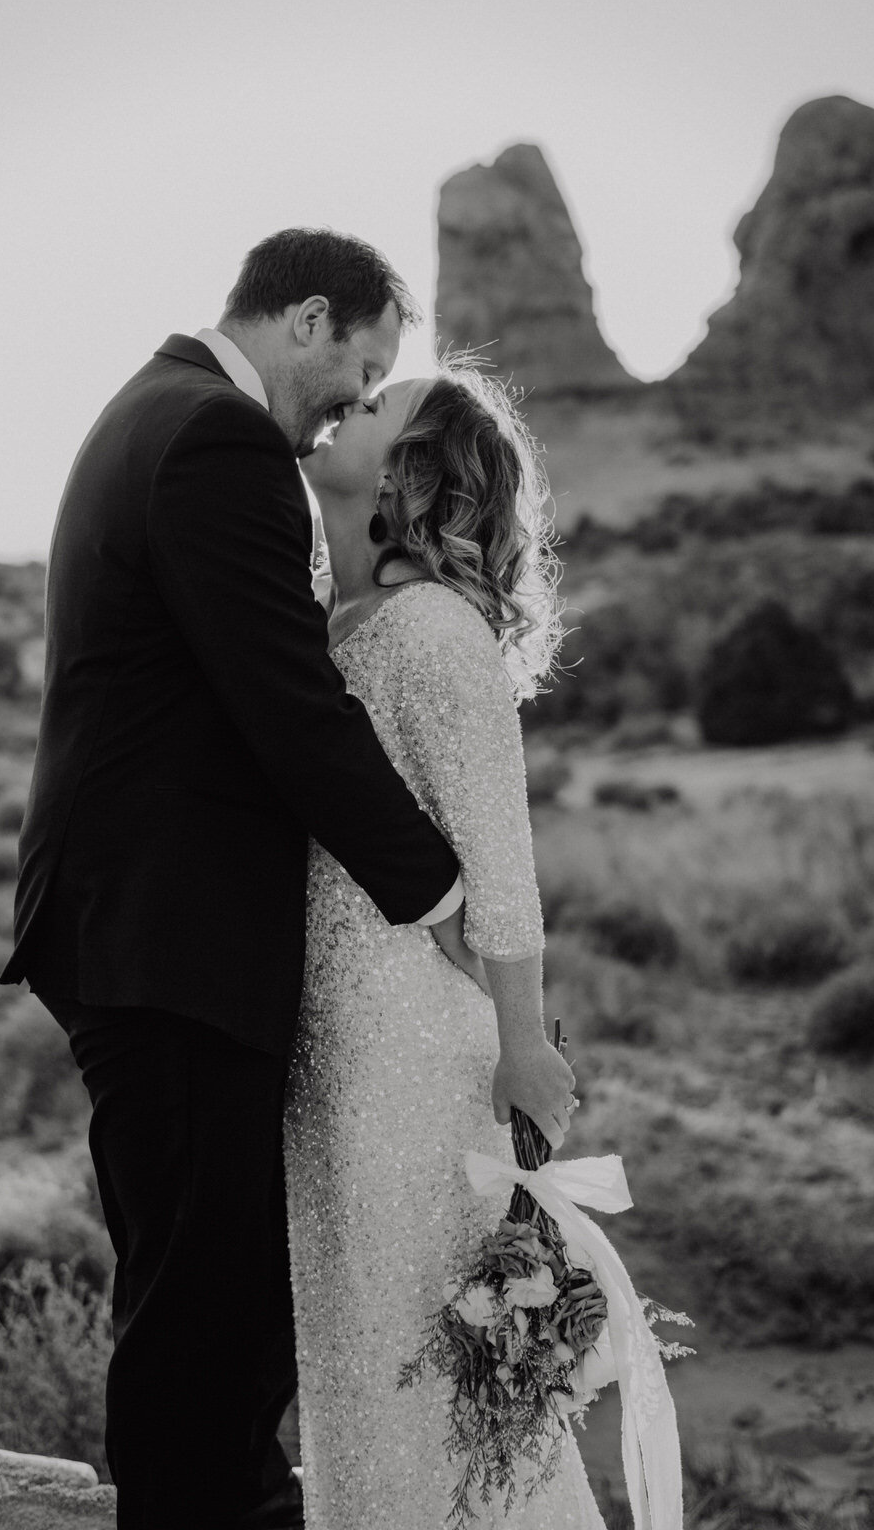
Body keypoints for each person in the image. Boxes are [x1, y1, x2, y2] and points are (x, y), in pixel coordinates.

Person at [0, 229, 570, 1530]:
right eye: (361, 366)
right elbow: (288, 711)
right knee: (212, 1312)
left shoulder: (159, 414)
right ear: (310, 319)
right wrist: (438, 908)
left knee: (223, 1304)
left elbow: (309, 722)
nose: (345, 401)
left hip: (182, 948)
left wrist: (500, 987)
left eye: (378, 395)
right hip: (169, 944)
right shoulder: (213, 437)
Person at [286, 364, 602, 1528]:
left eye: (373, 409)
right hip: (331, 1043)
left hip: (415, 1054)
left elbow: (500, 861)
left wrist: (521, 1048)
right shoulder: (331, 621)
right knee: (356, 1350)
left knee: (422, 1343)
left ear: (412, 475)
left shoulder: (429, 629)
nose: (341, 408)